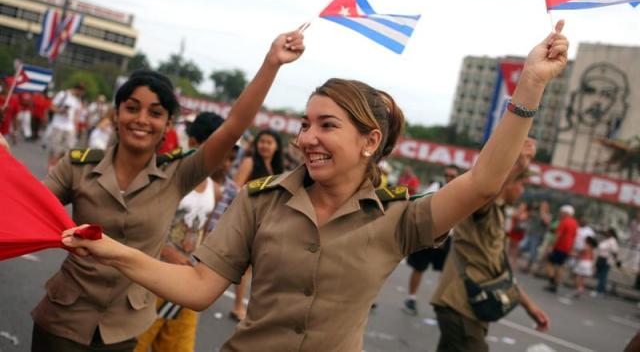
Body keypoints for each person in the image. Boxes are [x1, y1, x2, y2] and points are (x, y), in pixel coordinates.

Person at [62, 21, 568, 351]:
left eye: (327, 125)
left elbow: (482, 183)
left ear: (370, 141)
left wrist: (530, 86)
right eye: (305, 124)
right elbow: (198, 288)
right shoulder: (261, 202)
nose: (308, 138)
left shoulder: (398, 217)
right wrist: (113, 251)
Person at [30, 29, 305, 352]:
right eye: (132, 108)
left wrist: (271, 63)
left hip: (123, 329)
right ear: (116, 114)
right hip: (63, 320)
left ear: (168, 123)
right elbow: (28, 207)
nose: (141, 119)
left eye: (156, 112)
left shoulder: (178, 173)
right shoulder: (77, 167)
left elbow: (233, 127)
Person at [431, 139, 549, 352]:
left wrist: (529, 306)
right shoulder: (483, 207)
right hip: (460, 306)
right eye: (522, 184)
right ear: (510, 183)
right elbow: (487, 192)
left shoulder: (499, 213)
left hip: (470, 308)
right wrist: (517, 166)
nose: (522, 192)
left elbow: (498, 270)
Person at [134, 112, 223, 352]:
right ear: (194, 141)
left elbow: (203, 233)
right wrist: (166, 252)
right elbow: (143, 226)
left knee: (178, 346)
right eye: (215, 143)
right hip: (152, 277)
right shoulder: (169, 176)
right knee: (136, 342)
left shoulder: (215, 190)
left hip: (185, 282)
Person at [230, 128, 285, 321]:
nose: (265, 146)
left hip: (268, 223)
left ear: (277, 146)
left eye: (269, 142)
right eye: (262, 142)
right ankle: (237, 306)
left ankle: (248, 308)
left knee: (259, 269)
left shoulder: (277, 169)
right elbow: (235, 188)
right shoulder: (249, 162)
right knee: (245, 269)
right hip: (249, 220)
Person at [403, 164, 460, 316]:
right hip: (429, 234)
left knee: (446, 273)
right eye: (447, 175)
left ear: (457, 177)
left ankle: (441, 303)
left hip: (447, 238)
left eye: (452, 176)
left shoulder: (461, 191)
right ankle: (411, 298)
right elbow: (420, 204)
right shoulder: (436, 187)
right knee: (419, 267)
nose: (449, 178)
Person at [46, 83, 85, 170]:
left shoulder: (77, 100)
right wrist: (60, 111)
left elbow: (76, 115)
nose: (81, 94)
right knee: (55, 147)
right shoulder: (63, 94)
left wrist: (76, 128)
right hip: (58, 125)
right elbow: (52, 107)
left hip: (70, 127)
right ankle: (51, 165)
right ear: (77, 89)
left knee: (68, 148)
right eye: (81, 92)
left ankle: (57, 165)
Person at [544, 204, 578, 293]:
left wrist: (551, 246)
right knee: (560, 266)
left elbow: (558, 235)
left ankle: (552, 281)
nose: (560, 214)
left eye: (561, 212)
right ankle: (556, 284)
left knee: (549, 263)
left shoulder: (564, 221)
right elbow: (574, 237)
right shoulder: (575, 223)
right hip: (567, 249)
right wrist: (571, 249)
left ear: (566, 213)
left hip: (559, 247)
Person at [519, 200, 551, 273]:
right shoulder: (536, 213)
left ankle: (528, 267)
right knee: (522, 247)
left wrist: (542, 212)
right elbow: (527, 215)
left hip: (538, 235)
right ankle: (519, 263)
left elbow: (546, 222)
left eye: (544, 206)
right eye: (541, 205)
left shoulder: (547, 215)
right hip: (530, 233)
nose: (542, 207)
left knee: (533, 251)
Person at [593, 227, 620, 296]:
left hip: (606, 259)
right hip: (601, 258)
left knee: (603, 276)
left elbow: (615, 252)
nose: (606, 233)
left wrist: (616, 261)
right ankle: (601, 289)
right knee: (599, 275)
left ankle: (600, 290)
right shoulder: (605, 240)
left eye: (607, 232)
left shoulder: (613, 241)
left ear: (611, 233)